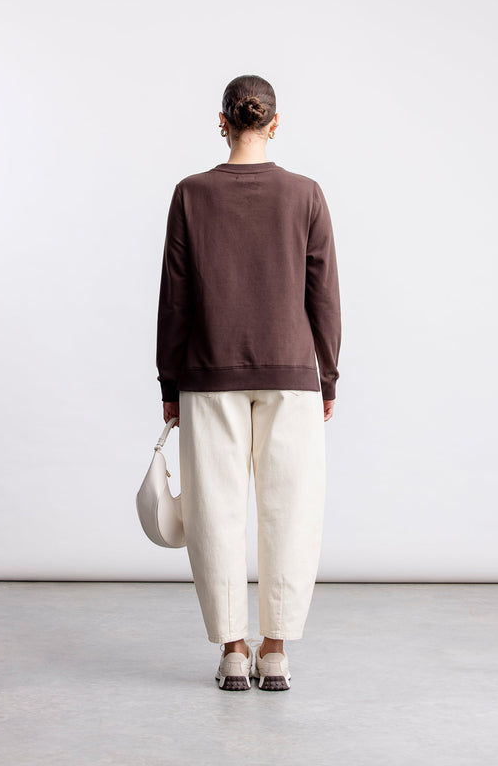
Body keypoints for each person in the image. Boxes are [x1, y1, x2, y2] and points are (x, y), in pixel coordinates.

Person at [156, 74, 341, 691]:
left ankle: (234, 652)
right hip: (292, 375)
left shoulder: (191, 194)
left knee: (214, 512)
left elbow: (175, 299)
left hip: (208, 374)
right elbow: (324, 296)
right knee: (291, 510)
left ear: (222, 121)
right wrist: (327, 376)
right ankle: (276, 652)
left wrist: (169, 384)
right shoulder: (305, 194)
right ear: (274, 123)